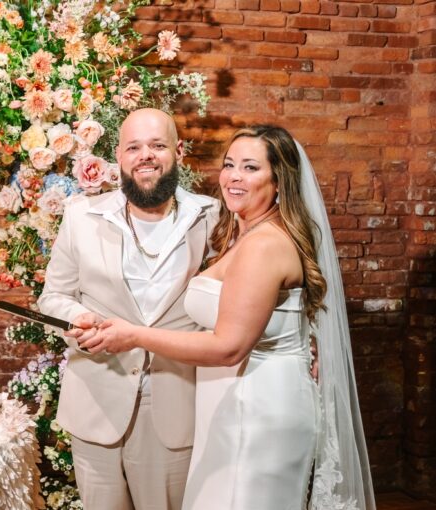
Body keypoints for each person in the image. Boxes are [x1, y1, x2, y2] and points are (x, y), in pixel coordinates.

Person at [79, 125, 375, 510]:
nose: (234, 177)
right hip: (237, 399)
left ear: (280, 180)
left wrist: (135, 336)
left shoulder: (264, 246)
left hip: (255, 407)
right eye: (230, 164)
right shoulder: (240, 232)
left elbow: (229, 346)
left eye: (251, 168)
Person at [37, 108, 219, 510]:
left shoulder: (211, 217)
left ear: (179, 151)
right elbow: (53, 296)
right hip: (95, 401)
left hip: (176, 405)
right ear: (118, 156)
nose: (145, 155)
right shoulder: (81, 216)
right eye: (134, 147)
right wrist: (77, 320)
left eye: (157, 145)